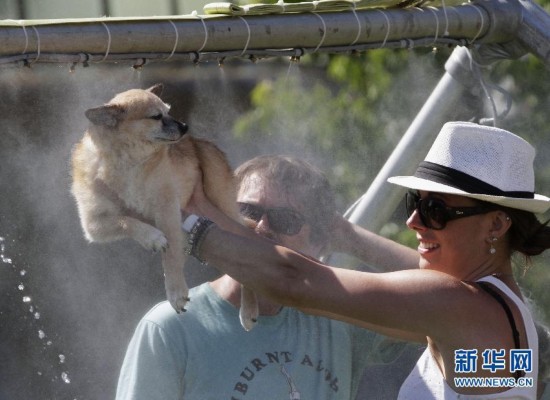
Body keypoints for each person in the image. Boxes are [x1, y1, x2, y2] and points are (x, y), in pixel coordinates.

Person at [184, 122, 550, 399]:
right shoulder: (496, 309)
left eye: (436, 210)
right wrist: (343, 234)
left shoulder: (455, 305)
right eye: (415, 203)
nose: (413, 221)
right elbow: (424, 276)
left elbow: (293, 281)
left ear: (496, 224)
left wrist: (187, 221)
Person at [116, 155, 419, 400]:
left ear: (319, 241)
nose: (261, 227)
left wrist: (347, 235)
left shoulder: (341, 317)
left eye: (285, 220)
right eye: (247, 210)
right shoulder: (171, 327)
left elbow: (442, 291)